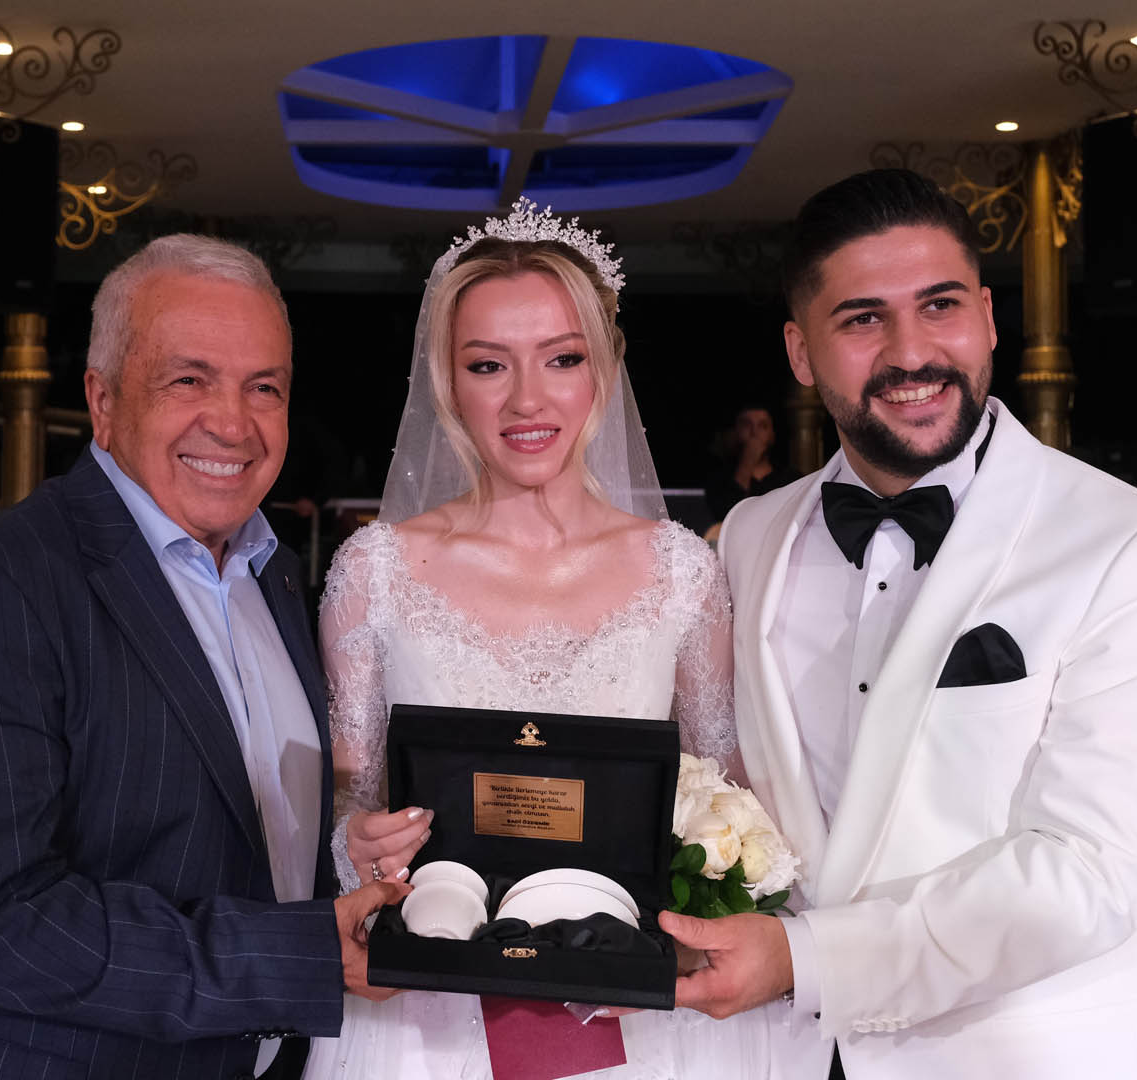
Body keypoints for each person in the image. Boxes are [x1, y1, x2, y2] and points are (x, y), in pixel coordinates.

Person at [660, 169, 1137, 1079]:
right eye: (862, 318)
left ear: (988, 318)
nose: (911, 351)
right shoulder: (752, 536)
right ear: (801, 352)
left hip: (1029, 1055)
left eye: (940, 305)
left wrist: (807, 959)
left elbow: (1087, 873)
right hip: (783, 1051)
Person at [0, 235, 405, 1080]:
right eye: (188, 379)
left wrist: (356, 855)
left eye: (264, 387)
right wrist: (300, 956)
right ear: (102, 400)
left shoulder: (274, 575)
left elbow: (247, 842)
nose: (233, 422)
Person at [304, 200, 782, 1079]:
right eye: (488, 364)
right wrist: (358, 842)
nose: (527, 399)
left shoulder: (681, 571)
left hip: (629, 1007)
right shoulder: (376, 570)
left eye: (562, 358)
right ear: (447, 380)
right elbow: (349, 801)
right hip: (430, 1007)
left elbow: (725, 790)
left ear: (605, 367)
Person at [704, 403, 795, 521]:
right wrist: (747, 462)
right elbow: (725, 518)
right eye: (746, 425)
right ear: (736, 431)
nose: (754, 432)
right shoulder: (719, 479)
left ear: (772, 435)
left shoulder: (790, 478)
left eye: (762, 426)